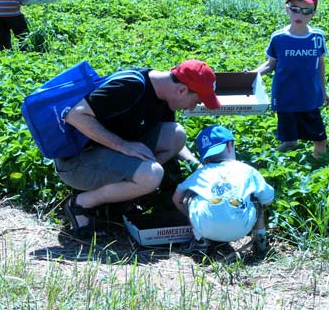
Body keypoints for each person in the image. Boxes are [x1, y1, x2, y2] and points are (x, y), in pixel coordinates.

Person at [58, 59, 222, 239]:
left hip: (108, 154)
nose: (192, 107)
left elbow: (173, 141)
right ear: (182, 90)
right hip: (77, 163)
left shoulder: (163, 92)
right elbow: (74, 115)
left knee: (177, 135)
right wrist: (123, 145)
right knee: (152, 175)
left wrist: (195, 165)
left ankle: (123, 192)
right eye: (196, 101)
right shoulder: (130, 87)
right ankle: (81, 203)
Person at [252, 0, 329, 157]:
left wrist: (324, 91)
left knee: (320, 139)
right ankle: (287, 146)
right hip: (285, 96)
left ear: (313, 13)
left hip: (309, 96)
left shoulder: (317, 38)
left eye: (306, 10)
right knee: (288, 134)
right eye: (295, 9)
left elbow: (320, 64)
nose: (299, 14)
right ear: (287, 9)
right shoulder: (279, 38)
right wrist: (253, 74)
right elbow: (270, 64)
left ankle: (319, 164)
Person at [172, 125, 274, 252]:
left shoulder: (200, 173)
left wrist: (191, 215)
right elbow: (268, 199)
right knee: (257, 198)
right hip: (242, 228)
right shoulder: (248, 170)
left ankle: (200, 240)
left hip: (206, 228)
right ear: (230, 145)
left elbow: (176, 198)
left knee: (188, 197)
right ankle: (260, 240)